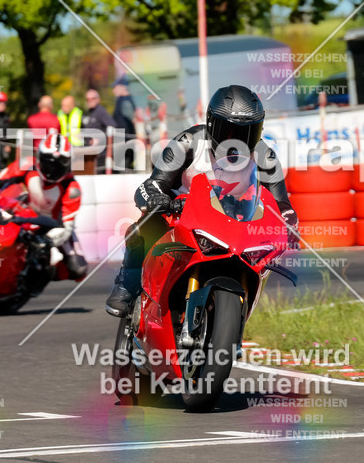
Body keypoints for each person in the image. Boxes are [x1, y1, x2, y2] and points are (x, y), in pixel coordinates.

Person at [105, 85, 299, 317]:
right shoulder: (188, 142)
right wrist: (158, 199)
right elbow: (152, 184)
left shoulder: (265, 156)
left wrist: (288, 224)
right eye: (228, 131)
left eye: (248, 132)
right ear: (211, 124)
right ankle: (127, 284)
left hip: (231, 221)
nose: (236, 141)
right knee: (146, 224)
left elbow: (281, 205)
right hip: (179, 213)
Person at [20, 132, 88, 283]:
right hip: (22, 218)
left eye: (58, 165)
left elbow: (66, 226)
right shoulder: (25, 166)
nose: (52, 170)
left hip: (53, 227)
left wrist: (47, 241)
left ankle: (44, 275)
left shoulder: (72, 188)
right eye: (48, 163)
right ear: (39, 158)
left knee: (78, 269)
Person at [83, 89, 117, 173]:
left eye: (93, 98)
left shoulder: (101, 112)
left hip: (101, 154)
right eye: (88, 99)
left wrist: (100, 139)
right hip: (91, 153)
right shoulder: (90, 112)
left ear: (98, 99)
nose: (90, 101)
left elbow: (112, 127)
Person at [0, 91, 12, 165]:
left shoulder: (6, 117)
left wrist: (7, 144)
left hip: (3, 148)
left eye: (3, 102)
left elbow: (7, 133)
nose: (2, 104)